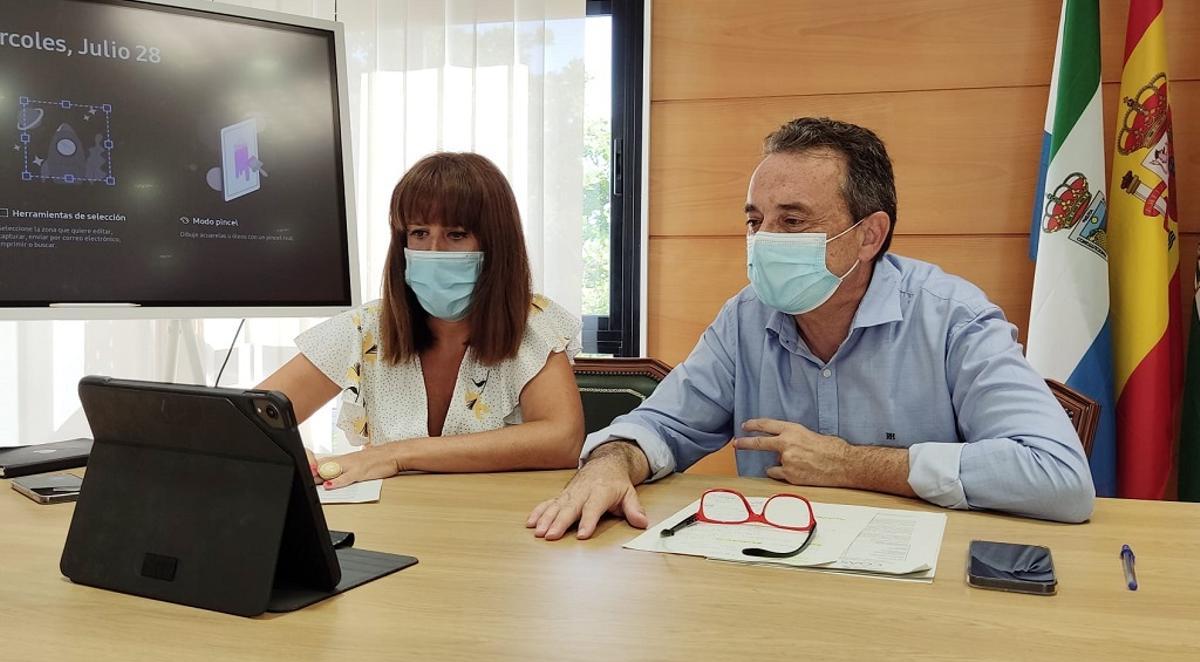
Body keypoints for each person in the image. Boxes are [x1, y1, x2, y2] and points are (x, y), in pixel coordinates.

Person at [528, 117, 1095, 540]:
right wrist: (609, 462)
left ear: (870, 235)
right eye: (755, 221)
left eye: (792, 221)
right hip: (772, 573)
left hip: (922, 589)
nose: (764, 240)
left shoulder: (953, 318)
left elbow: (1058, 476)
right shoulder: (746, 318)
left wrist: (854, 465)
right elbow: (660, 426)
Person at [260, 152, 585, 489]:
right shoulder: (364, 328)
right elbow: (243, 422)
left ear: (495, 243)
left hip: (499, 527)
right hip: (391, 525)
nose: (433, 250)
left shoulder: (534, 324)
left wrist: (396, 455)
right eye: (418, 233)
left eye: (456, 235)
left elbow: (561, 440)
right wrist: (289, 450)